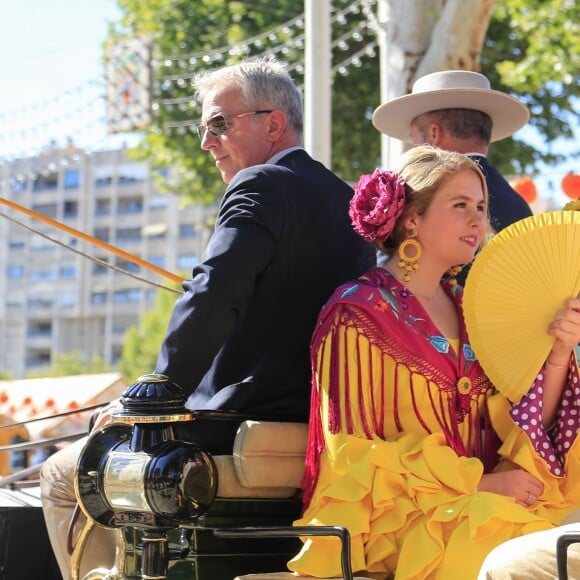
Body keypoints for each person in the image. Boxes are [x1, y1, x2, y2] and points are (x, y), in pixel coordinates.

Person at [39, 58, 375, 579]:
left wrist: (153, 393)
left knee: (61, 474)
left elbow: (214, 293)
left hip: (234, 423)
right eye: (203, 128)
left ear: (274, 123)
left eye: (219, 123)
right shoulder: (351, 203)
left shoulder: (262, 183)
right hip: (320, 431)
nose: (206, 142)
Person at [285, 145, 580, 579]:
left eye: (480, 206)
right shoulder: (357, 312)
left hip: (486, 506)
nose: (477, 220)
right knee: (525, 550)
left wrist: (557, 354)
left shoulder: (477, 312)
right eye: (459, 206)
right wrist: (481, 483)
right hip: (401, 519)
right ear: (412, 219)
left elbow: (530, 422)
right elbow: (354, 456)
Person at [372, 70, 533, 284]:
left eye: (414, 138)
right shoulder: (519, 206)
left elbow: (389, 278)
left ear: (434, 134)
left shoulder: (414, 194)